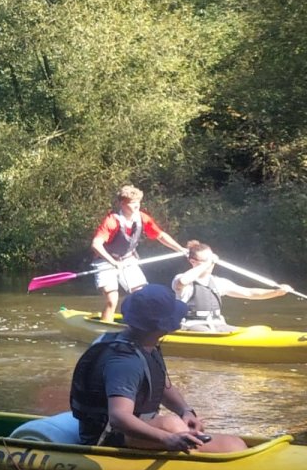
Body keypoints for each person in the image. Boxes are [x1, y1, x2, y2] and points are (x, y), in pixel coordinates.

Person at [68, 284, 245, 452]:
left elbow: (162, 385)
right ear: (163, 326)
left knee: (177, 423)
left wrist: (186, 411)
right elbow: (118, 417)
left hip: (130, 429)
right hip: (107, 437)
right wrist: (166, 438)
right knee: (232, 445)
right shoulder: (124, 362)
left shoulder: (144, 344)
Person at [91, 185, 185, 322]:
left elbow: (160, 235)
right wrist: (113, 262)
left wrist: (180, 249)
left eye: (138, 202)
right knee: (112, 300)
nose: (136, 206)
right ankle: (104, 328)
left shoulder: (142, 217)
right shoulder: (112, 221)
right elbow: (96, 245)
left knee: (142, 295)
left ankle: (140, 324)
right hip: (106, 262)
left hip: (128, 259)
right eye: (132, 203)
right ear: (122, 203)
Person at [171, 240, 293, 332]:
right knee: (209, 332)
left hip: (217, 324)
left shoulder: (218, 282)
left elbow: (249, 293)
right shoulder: (182, 279)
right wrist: (207, 263)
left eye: (212, 259)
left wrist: (276, 292)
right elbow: (183, 281)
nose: (212, 263)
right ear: (193, 262)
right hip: (191, 326)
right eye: (207, 260)